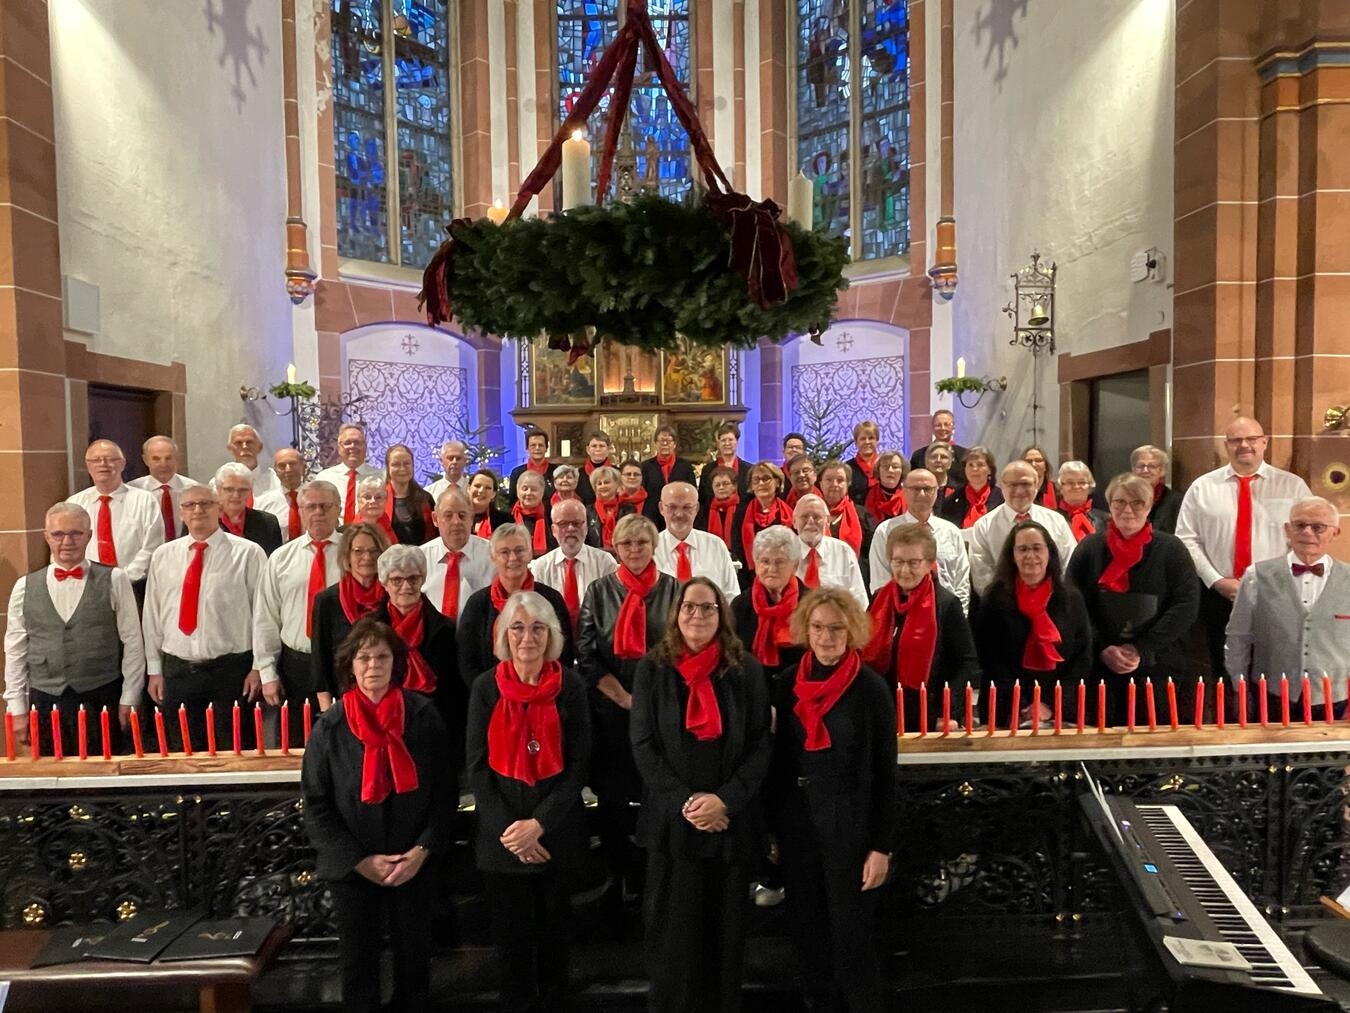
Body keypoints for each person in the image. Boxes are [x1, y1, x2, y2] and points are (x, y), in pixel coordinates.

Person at [630, 577, 772, 1013]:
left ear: (721, 615)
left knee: (725, 936)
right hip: (675, 825)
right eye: (689, 607)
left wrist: (725, 800)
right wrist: (687, 804)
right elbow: (643, 744)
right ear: (676, 614)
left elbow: (760, 743)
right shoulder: (653, 669)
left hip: (729, 823)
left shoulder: (745, 669)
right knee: (674, 933)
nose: (696, 615)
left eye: (707, 608)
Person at [301, 619, 452, 1013]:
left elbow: (445, 792)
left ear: (396, 663)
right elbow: (316, 804)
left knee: (415, 964)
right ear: (349, 665)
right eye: (364, 657)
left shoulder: (423, 717)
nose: (373, 665)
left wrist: (421, 850)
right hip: (354, 868)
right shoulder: (329, 727)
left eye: (382, 656)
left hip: (412, 862)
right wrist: (359, 861)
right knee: (358, 967)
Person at [767, 586, 895, 1011]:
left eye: (836, 629)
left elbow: (885, 774)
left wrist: (880, 846)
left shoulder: (871, 690)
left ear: (852, 631)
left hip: (849, 822)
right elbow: (778, 764)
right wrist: (773, 828)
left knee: (851, 933)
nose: (825, 638)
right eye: (818, 628)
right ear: (806, 629)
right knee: (807, 929)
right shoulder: (785, 686)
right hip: (798, 820)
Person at [466, 590, 591, 1011]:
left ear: (551, 634)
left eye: (537, 627)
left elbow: (578, 765)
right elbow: (477, 768)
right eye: (517, 628)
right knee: (512, 950)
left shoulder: (570, 686)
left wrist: (539, 824)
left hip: (556, 835)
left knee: (556, 944)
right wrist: (512, 831)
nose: (527, 637)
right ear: (503, 635)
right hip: (501, 843)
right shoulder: (486, 688)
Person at [576, 514, 681, 910]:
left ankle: (657, 877)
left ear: (654, 546)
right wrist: (622, 698)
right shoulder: (599, 590)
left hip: (661, 711)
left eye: (641, 543)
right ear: (614, 548)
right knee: (614, 798)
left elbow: (681, 651)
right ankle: (619, 877)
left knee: (657, 793)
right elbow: (585, 656)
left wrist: (649, 702)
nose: (634, 551)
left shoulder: (674, 591)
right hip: (611, 712)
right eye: (626, 544)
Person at [1176, 416, 1312, 687]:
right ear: (1226, 446)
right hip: (1219, 595)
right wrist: (1217, 581)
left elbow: (1307, 539)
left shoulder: (1292, 486)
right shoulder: (1202, 487)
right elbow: (1186, 539)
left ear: (1264, 442)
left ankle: (1272, 727)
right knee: (1225, 670)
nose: (1244, 445)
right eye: (1236, 440)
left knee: (1276, 671)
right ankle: (1230, 723)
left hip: (1276, 592)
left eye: (1251, 439)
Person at [4, 502, 145, 756]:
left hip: (101, 695)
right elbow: (15, 652)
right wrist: (16, 707)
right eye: (58, 534)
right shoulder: (25, 586)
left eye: (75, 533)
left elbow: (133, 643)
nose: (67, 541)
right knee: (54, 781)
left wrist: (130, 697)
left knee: (105, 777)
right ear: (47, 536)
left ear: (89, 535)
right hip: (45, 699)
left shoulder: (115, 579)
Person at [1066, 474, 1199, 726]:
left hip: (1157, 664)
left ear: (1149, 507)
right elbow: (1073, 604)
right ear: (1109, 505)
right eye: (1119, 502)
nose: (1128, 510)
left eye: (1137, 503)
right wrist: (1103, 646)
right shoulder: (1088, 549)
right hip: (1100, 664)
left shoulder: (1172, 550)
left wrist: (1142, 648)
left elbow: (1186, 604)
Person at [143, 484, 266, 752]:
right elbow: (152, 614)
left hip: (231, 671)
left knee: (232, 750)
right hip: (178, 671)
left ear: (219, 509)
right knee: (181, 750)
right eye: (190, 505)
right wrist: (154, 669)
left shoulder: (248, 553)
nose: (198, 510)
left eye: (206, 504)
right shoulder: (163, 556)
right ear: (181, 513)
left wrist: (259, 666)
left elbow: (262, 614)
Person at [1225, 497, 1349, 718]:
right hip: (1270, 694)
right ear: (1288, 530)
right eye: (1300, 525)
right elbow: (1238, 636)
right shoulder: (1256, 576)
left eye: (1318, 527)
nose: (1308, 533)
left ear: (1335, 533)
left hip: (1336, 697)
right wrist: (1239, 685)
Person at [972, 521, 1092, 729]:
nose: (1030, 556)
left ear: (1049, 553)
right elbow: (990, 658)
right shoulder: (995, 598)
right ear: (1012, 555)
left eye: (1037, 548)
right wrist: (1022, 705)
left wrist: (1048, 704)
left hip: (1061, 709)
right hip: (1007, 709)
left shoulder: (1070, 598)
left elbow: (1082, 657)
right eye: (1023, 549)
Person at [253, 481, 344, 744]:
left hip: (341, 663)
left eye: (325, 506)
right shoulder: (281, 558)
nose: (318, 512)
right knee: (298, 741)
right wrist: (267, 672)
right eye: (311, 506)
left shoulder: (353, 554)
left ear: (338, 508)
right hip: (296, 665)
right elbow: (266, 618)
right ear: (300, 510)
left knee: (342, 742)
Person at [864, 524, 979, 729]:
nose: (904, 570)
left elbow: (966, 663)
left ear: (930, 564)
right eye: (898, 561)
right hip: (883, 708)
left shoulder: (946, 603)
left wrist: (949, 711)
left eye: (914, 562)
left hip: (930, 711)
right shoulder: (878, 599)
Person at [372, 545, 461, 768]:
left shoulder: (445, 630)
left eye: (413, 578)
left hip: (431, 729)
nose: (406, 586)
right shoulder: (369, 631)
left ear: (422, 579)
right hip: (381, 729)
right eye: (397, 580)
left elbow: (454, 692)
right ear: (384, 583)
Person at [457, 525, 573, 684]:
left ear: (530, 553)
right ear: (493, 557)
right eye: (504, 552)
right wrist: (490, 692)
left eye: (519, 550)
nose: (513, 558)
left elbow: (564, 653)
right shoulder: (477, 604)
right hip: (493, 697)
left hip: (546, 693)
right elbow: (467, 661)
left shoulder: (551, 599)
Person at [868, 469, 971, 612]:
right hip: (901, 615)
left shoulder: (951, 532)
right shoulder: (886, 531)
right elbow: (880, 581)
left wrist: (959, 614)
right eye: (915, 489)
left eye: (928, 489)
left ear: (936, 492)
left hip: (945, 614)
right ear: (904, 491)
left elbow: (961, 582)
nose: (922, 494)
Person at [310, 523, 390, 707]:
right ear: (347, 556)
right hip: (343, 701)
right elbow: (320, 661)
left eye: (374, 551)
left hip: (387, 698)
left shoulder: (391, 596)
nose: (367, 557)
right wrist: (327, 711)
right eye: (358, 551)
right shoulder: (327, 601)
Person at [968, 461, 1076, 596]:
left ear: (1037, 485)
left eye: (1025, 484)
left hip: (1051, 603)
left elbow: (1069, 565)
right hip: (1003, 608)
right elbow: (982, 575)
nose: (1019, 491)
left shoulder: (1056, 521)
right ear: (1001, 486)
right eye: (1012, 484)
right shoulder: (984, 526)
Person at [69, 439, 164, 594]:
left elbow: (152, 547)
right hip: (86, 587)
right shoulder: (74, 504)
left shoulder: (144, 500)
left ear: (122, 464)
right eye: (96, 460)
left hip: (135, 587)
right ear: (88, 466)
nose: (103, 464)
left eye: (111, 459)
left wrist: (122, 579)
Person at [732, 526, 807, 684]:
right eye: (765, 561)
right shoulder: (740, 605)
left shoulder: (810, 604)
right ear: (756, 563)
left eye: (780, 562)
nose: (772, 569)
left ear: (794, 565)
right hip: (752, 687)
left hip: (798, 688)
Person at [529, 498, 618, 630]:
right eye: (563, 524)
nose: (570, 529)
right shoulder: (541, 567)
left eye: (577, 523)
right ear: (553, 530)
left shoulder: (604, 562)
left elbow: (610, 612)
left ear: (586, 527)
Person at [655, 482, 740, 601]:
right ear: (661, 508)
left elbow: (731, 595)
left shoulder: (716, 545)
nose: (679, 514)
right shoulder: (650, 549)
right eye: (672, 507)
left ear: (697, 509)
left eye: (687, 507)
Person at [420, 486, 494, 622]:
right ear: (435, 519)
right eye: (448, 515)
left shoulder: (492, 555)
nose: (456, 522)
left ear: (471, 518)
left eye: (462, 515)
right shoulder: (420, 557)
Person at [793, 494, 868, 606]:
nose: (810, 521)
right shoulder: (784, 553)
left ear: (827, 521)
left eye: (817, 517)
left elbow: (859, 602)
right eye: (804, 516)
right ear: (794, 522)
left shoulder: (843, 552)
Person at [730, 462, 793, 584]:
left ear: (777, 482)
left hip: (782, 574)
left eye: (766, 478)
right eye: (756, 480)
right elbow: (737, 546)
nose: (761, 483)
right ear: (751, 486)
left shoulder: (787, 512)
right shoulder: (741, 512)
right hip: (749, 577)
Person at [128, 435, 193, 545]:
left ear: (177, 458)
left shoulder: (192, 488)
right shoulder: (133, 490)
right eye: (156, 459)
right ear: (145, 460)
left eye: (168, 458)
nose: (163, 464)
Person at [315, 424, 382, 525]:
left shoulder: (381, 477)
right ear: (339, 448)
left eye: (357, 442)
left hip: (369, 534)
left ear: (365, 447)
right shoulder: (324, 478)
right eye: (347, 443)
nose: (352, 446)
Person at [818, 460, 875, 577]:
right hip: (818, 578)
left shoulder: (862, 515)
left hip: (853, 578)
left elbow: (870, 554)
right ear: (820, 483)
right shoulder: (810, 513)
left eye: (840, 480)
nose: (834, 484)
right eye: (829, 480)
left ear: (848, 484)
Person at [214, 462, 283, 556]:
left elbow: (273, 562)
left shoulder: (268, 522)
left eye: (242, 490)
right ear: (218, 490)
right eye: (229, 489)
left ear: (251, 491)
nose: (236, 495)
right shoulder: (205, 522)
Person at [641, 426, 697, 524]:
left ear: (674, 444)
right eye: (661, 440)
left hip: (679, 515)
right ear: (655, 444)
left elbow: (693, 492)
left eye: (669, 440)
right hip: (653, 516)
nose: (665, 444)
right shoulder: (645, 467)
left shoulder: (685, 466)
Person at [939, 446, 1002, 531]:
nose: (975, 469)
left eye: (980, 465)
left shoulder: (1002, 498)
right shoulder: (952, 500)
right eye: (970, 465)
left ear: (990, 470)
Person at [384, 443, 436, 546]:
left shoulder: (425, 498)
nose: (402, 468)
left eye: (406, 463)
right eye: (396, 464)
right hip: (389, 559)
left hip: (422, 558)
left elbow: (435, 533)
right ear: (387, 468)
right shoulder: (379, 498)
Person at [254, 447, 307, 544]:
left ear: (303, 466)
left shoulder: (317, 498)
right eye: (282, 466)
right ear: (275, 470)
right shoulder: (262, 503)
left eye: (293, 464)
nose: (288, 469)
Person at [1132, 444, 1182, 534]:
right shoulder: (1124, 498)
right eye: (1141, 466)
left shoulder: (1176, 502)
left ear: (1162, 471)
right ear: (1133, 469)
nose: (1145, 470)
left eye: (1152, 466)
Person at [697, 422, 751, 505]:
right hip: (712, 516)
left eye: (730, 440)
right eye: (723, 440)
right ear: (718, 444)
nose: (727, 443)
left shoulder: (748, 470)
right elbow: (703, 501)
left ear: (737, 442)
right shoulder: (707, 470)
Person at [223, 424, 281, 499]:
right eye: (239, 443)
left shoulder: (276, 480)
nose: (245, 446)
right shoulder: (221, 482)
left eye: (249, 442)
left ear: (260, 447)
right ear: (230, 449)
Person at [1056, 461, 1108, 543]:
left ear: (1089, 486)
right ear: (1060, 488)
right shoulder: (1051, 518)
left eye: (1082, 482)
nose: (1076, 487)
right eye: (1070, 482)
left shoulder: (1106, 519)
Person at [909, 408, 968, 474]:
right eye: (938, 425)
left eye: (946, 424)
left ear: (953, 428)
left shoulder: (964, 455)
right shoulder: (919, 455)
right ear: (932, 428)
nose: (943, 428)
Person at [697, 466, 742, 549]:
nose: (721, 487)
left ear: (734, 486)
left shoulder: (743, 509)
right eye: (717, 485)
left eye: (725, 484)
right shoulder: (704, 512)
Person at [512, 472, 556, 557]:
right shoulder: (508, 516)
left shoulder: (551, 515)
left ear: (542, 492)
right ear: (517, 490)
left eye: (534, 489)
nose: (529, 493)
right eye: (525, 489)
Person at [509, 428, 557, 505]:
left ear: (546, 448)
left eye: (540, 445)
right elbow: (512, 502)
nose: (537, 448)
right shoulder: (517, 473)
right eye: (533, 445)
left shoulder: (556, 471)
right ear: (527, 448)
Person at [586, 464, 626, 550]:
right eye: (599, 484)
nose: (603, 486)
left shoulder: (628, 509)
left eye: (607, 482)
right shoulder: (588, 511)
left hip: (622, 555)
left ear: (617, 484)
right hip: (596, 557)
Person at [863, 451, 907, 523]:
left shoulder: (909, 494)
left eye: (895, 467)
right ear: (878, 470)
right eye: (885, 466)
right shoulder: (868, 494)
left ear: (903, 471)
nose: (890, 470)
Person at [843, 420, 881, 504]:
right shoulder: (847, 468)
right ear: (856, 443)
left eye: (871, 438)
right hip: (857, 514)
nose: (867, 442)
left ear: (877, 441)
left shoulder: (885, 465)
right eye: (863, 439)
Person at [576, 430, 616, 507]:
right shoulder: (578, 474)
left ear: (608, 449)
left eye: (601, 446)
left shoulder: (617, 473)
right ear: (588, 450)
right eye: (594, 446)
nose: (598, 449)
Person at [468, 468, 511, 540]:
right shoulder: (456, 517)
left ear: (493, 494)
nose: (481, 491)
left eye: (487, 488)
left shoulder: (506, 521)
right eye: (477, 486)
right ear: (469, 488)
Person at [355, 475, 398, 544]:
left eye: (378, 497)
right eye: (367, 497)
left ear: (385, 500)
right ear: (358, 500)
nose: (373, 501)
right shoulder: (352, 531)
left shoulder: (390, 526)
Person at [1022, 445, 1059, 510]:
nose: (1033, 464)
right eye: (1029, 461)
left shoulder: (1057, 490)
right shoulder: (1015, 490)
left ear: (1045, 466)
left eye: (1038, 460)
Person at [618, 459, 654, 523]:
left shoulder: (652, 502)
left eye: (636, 474)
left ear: (642, 477)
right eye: (628, 474)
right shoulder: (614, 500)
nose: (632, 477)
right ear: (620, 477)